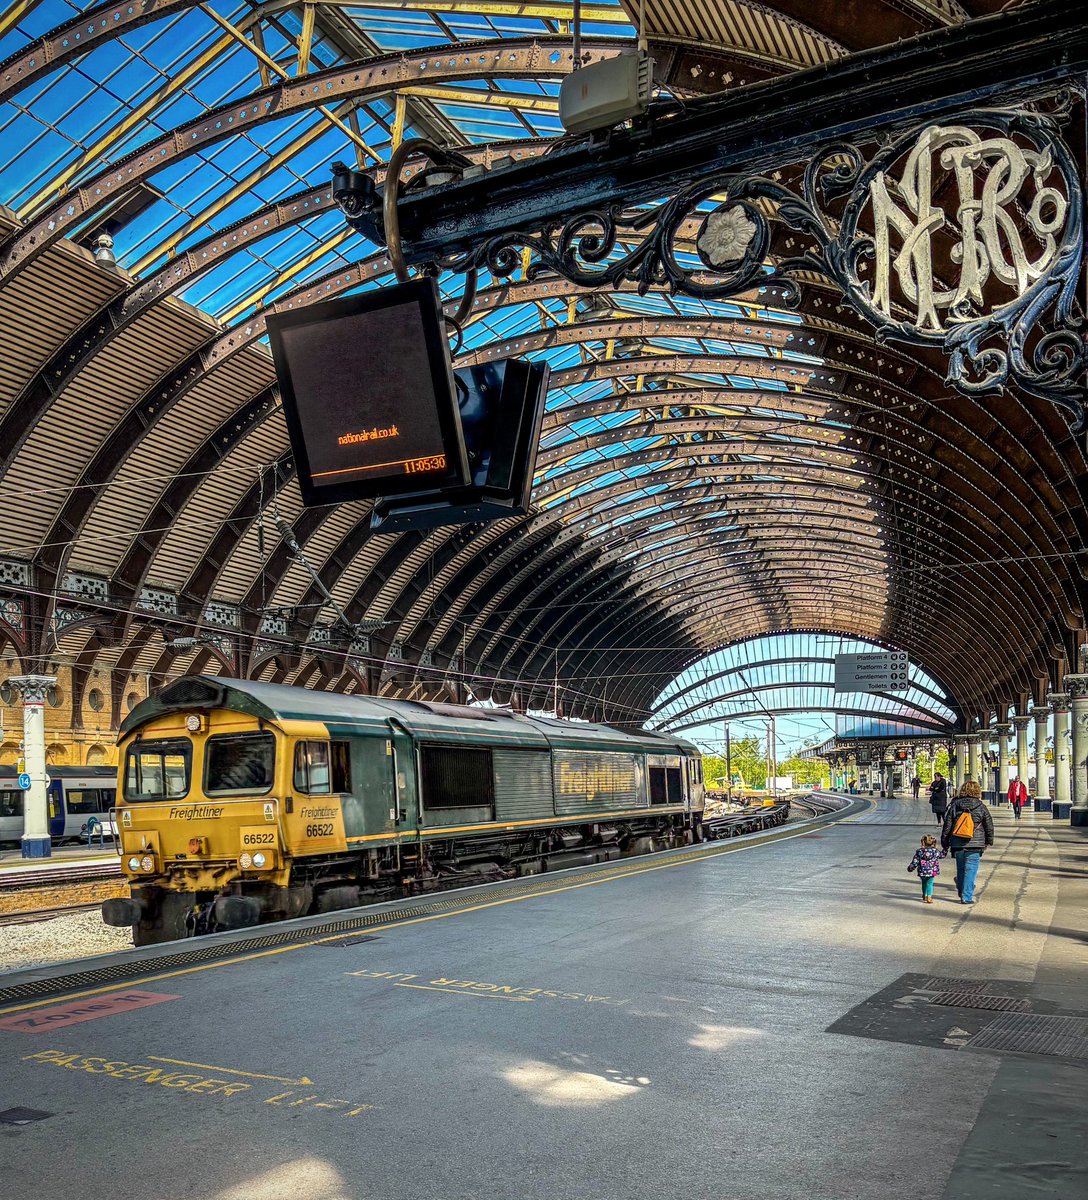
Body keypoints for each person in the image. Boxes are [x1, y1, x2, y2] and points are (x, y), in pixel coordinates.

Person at [941, 780, 994, 904]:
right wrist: (989, 841)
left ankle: (961, 890)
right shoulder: (981, 806)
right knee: (970, 870)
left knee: (960, 869)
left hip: (957, 843)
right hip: (975, 844)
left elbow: (947, 825)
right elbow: (989, 825)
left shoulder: (955, 805)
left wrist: (945, 841)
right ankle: (966, 897)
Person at [907, 834, 944, 904]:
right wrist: (945, 849)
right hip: (932, 871)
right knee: (930, 883)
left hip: (922, 871)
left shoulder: (920, 851)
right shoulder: (935, 851)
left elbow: (915, 861)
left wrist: (911, 867)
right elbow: (942, 855)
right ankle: (929, 896)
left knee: (924, 883)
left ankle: (924, 895)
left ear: (923, 842)